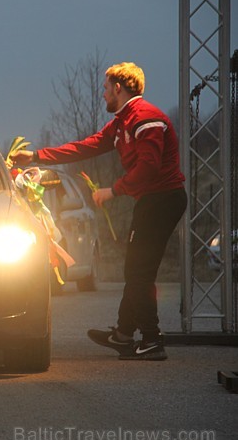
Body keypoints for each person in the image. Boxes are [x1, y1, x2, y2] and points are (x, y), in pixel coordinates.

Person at [11, 62, 186, 361]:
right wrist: (37, 156)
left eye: (105, 88)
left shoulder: (146, 118)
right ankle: (123, 335)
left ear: (119, 88)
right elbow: (86, 147)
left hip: (163, 199)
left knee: (138, 271)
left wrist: (113, 190)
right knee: (136, 270)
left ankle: (152, 340)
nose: (102, 93)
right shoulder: (121, 122)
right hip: (151, 201)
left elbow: (149, 166)